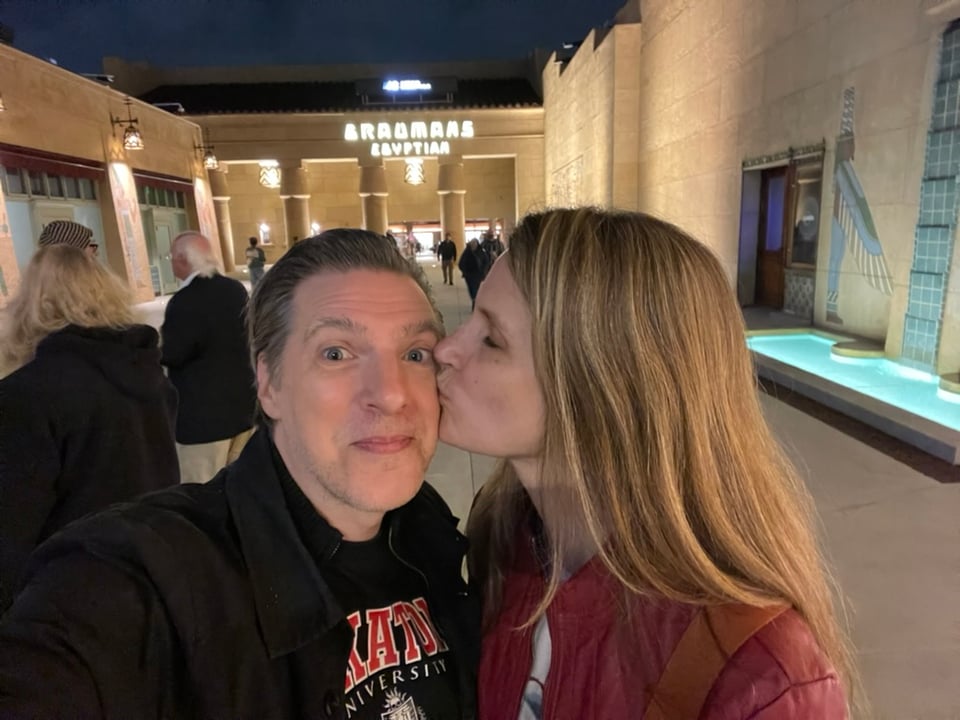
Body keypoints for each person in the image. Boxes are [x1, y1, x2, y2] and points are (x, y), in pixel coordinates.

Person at [0, 230, 478, 718]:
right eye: (336, 353)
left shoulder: (437, 538)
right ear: (268, 383)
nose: (392, 394)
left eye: (415, 354)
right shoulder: (147, 578)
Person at [435, 208, 857, 719]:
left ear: (600, 391)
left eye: (492, 339)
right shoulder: (502, 535)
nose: (445, 349)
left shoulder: (763, 680)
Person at [0, 245, 178, 613]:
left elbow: (12, 526)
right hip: (150, 571)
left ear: (33, 302)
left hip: (68, 595)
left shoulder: (27, 394)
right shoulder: (149, 375)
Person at [162, 231, 257, 484]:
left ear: (183, 260)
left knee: (200, 492)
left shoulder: (185, 301)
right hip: (242, 409)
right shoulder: (234, 290)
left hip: (203, 421)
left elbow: (174, 353)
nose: (171, 262)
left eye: (172, 257)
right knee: (237, 485)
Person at [457, 238, 485, 310]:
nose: (473, 246)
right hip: (469, 275)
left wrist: (483, 271)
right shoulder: (467, 252)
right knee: (471, 288)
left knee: (476, 288)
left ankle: (475, 301)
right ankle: (474, 299)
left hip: (478, 274)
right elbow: (461, 263)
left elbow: (486, 261)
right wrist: (464, 271)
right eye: (472, 244)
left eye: (475, 244)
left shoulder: (481, 252)